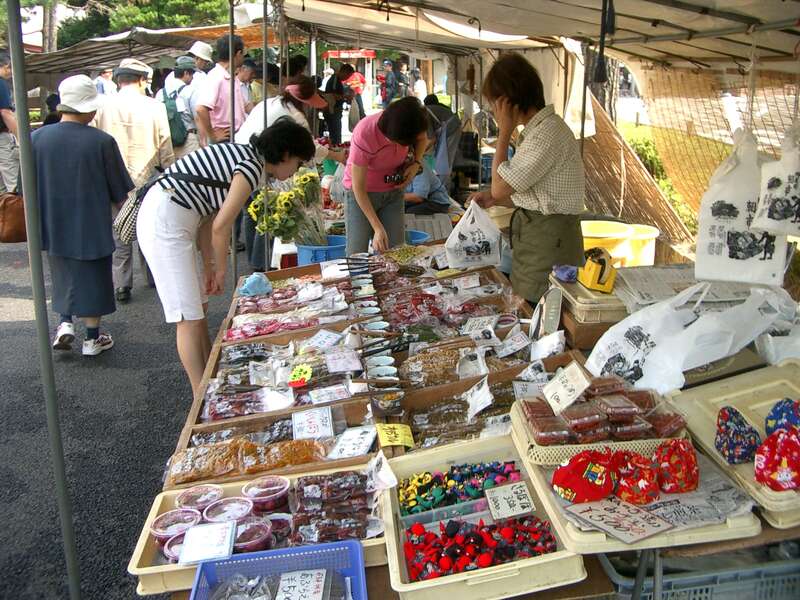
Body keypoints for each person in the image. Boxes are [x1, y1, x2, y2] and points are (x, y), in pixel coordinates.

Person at [136, 117, 315, 393]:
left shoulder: (247, 157)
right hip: (165, 221)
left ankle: (210, 377)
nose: (296, 170)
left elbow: (209, 216)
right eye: (299, 163)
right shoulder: (252, 167)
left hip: (177, 217)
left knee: (198, 309)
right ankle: (202, 396)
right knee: (187, 316)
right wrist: (220, 270)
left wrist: (208, 265)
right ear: (286, 154)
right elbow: (221, 226)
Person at [468, 53, 585, 304]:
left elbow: (500, 189)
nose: (493, 111)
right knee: (528, 303)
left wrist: (504, 131)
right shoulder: (540, 131)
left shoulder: (546, 134)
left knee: (538, 304)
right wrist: (493, 198)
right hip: (541, 235)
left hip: (549, 242)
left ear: (508, 102)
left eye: (495, 104)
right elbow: (537, 193)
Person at [33, 75, 134, 356]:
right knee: (94, 276)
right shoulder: (101, 141)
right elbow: (120, 190)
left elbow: (24, 186)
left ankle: (65, 323)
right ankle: (92, 337)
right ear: (90, 108)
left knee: (62, 271)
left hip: (51, 220)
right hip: (92, 222)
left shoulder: (37, 139)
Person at [235, 76, 346, 270]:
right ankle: (261, 266)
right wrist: (336, 156)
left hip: (240, 156)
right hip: (257, 163)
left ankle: (254, 262)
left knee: (252, 212)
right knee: (267, 214)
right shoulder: (294, 115)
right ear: (304, 100)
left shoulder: (268, 102)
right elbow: (309, 148)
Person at [92, 58, 175, 303]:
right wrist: (170, 172)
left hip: (112, 178)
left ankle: (122, 283)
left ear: (118, 80)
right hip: (146, 176)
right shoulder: (154, 106)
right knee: (149, 226)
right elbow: (165, 144)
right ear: (140, 80)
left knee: (119, 229)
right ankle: (153, 276)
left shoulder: (102, 105)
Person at [343, 97, 429, 255]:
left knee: (395, 252)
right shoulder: (365, 132)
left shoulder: (408, 123)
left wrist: (416, 162)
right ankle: (357, 279)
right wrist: (377, 227)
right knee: (357, 254)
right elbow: (358, 188)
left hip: (393, 192)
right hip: (362, 195)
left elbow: (423, 138)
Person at [196, 34, 249, 146]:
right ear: (238, 54)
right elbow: (201, 109)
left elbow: (246, 106)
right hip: (225, 139)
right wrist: (213, 136)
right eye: (243, 54)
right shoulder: (216, 77)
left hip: (236, 136)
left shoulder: (231, 77)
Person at [159, 55, 200, 159]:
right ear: (186, 73)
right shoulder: (190, 91)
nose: (193, 77)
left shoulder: (161, 93)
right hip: (189, 140)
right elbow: (198, 117)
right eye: (192, 74)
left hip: (168, 142)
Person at [322, 63, 355, 145]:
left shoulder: (338, 81)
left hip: (335, 110)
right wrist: (346, 96)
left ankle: (336, 146)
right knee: (335, 132)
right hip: (332, 110)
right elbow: (333, 95)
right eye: (348, 75)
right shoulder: (334, 80)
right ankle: (336, 148)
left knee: (336, 131)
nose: (348, 78)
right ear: (344, 72)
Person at [0, 51, 19, 194]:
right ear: (5, 66)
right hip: (2, 138)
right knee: (13, 184)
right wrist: (21, 137)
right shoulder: (1, 83)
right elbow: (6, 113)